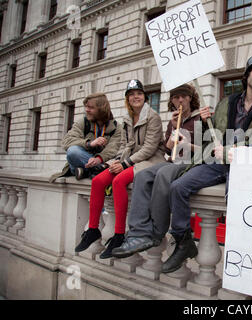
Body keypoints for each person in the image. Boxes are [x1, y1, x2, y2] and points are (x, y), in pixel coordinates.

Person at [161, 55, 252, 273]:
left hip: (246, 165)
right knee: (178, 187)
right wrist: (207, 122)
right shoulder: (228, 101)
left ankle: (247, 262)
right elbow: (210, 139)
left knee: (238, 207)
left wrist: (230, 151)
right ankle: (183, 241)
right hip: (217, 163)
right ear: (247, 76)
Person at [74, 79, 166, 259]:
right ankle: (93, 229)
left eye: (139, 93)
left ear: (144, 96)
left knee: (119, 180)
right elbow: (124, 145)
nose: (135, 97)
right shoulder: (127, 118)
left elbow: (149, 149)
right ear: (127, 98)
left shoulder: (153, 117)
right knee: (99, 180)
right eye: (131, 94)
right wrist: (115, 162)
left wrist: (124, 165)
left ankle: (118, 235)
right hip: (131, 160)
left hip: (151, 160)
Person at [111, 84, 202, 258]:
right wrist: (174, 129)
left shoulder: (199, 119)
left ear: (190, 98)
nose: (180, 100)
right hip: (174, 162)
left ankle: (156, 232)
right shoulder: (174, 120)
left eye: (183, 96)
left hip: (191, 163)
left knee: (162, 175)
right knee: (142, 175)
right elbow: (168, 150)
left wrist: (186, 143)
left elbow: (206, 151)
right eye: (176, 97)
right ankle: (138, 232)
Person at [49, 93, 121, 183]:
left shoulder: (116, 127)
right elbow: (67, 141)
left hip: (101, 161)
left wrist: (99, 159)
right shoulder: (83, 122)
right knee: (73, 151)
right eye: (86, 107)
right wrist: (89, 144)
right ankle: (95, 170)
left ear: (101, 109)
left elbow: (113, 148)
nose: (87, 110)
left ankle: (85, 171)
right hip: (83, 159)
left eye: (91, 107)